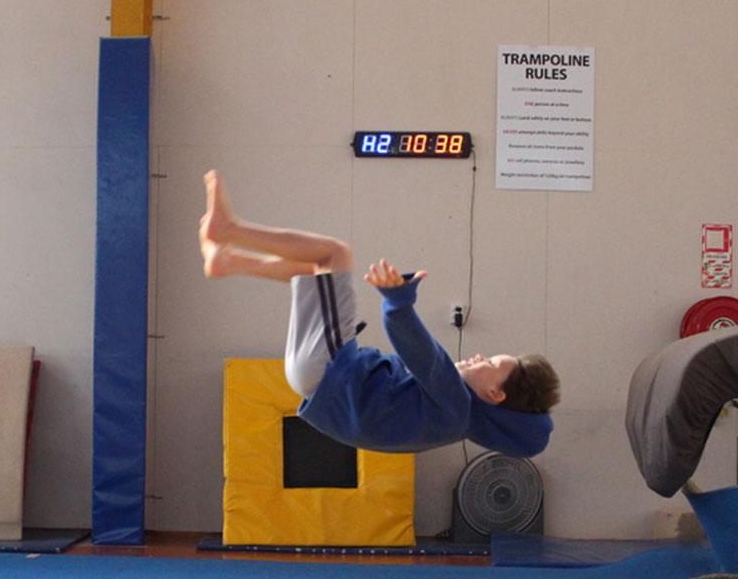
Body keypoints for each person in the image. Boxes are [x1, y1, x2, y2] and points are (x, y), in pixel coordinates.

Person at [199, 170, 559, 458]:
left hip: (332, 370)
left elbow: (423, 354)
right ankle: (228, 260)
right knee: (315, 271)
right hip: (320, 379)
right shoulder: (449, 420)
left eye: (490, 362)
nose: (478, 356)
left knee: (334, 254)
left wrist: (398, 302)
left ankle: (228, 230)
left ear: (495, 394)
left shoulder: (456, 406)